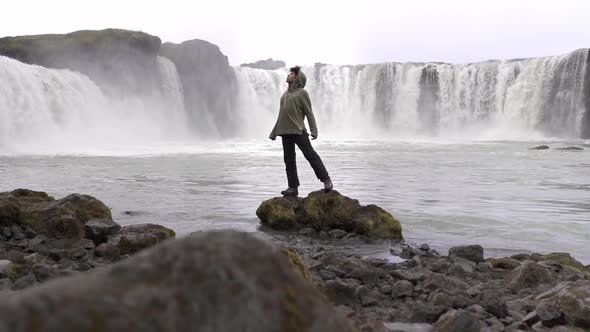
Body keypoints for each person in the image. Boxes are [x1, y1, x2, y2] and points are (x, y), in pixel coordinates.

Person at [269, 66, 333, 196]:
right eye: (289, 73)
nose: (288, 75)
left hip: (298, 130)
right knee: (289, 160)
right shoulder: (284, 95)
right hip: (285, 131)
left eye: (291, 74)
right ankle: (293, 187)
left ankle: (326, 180)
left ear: (297, 78)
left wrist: (313, 129)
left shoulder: (302, 93)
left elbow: (309, 113)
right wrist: (274, 131)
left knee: (310, 155)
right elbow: (281, 115)